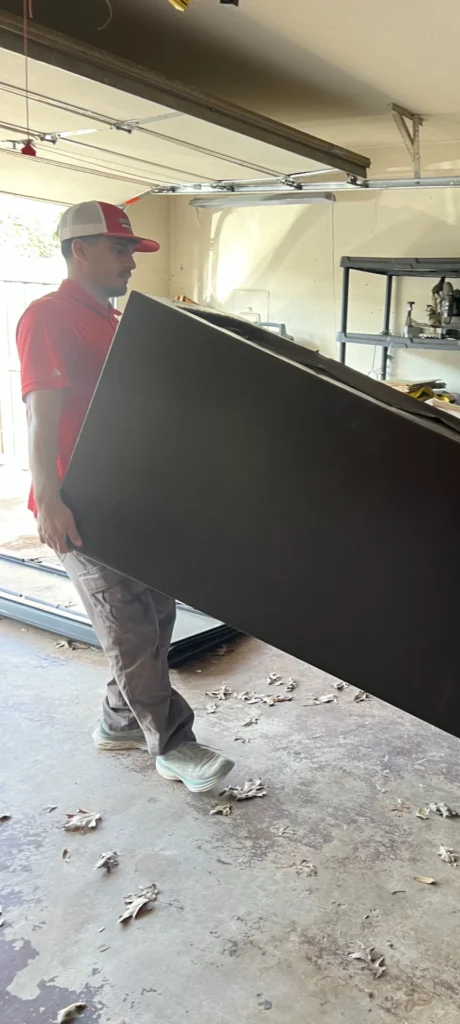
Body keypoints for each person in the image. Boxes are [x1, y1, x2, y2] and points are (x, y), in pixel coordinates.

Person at [16, 200, 234, 794]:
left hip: (129, 496)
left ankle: (117, 723)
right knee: (129, 627)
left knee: (157, 616)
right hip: (80, 504)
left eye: (134, 250)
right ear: (78, 249)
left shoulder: (113, 323)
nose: (131, 261)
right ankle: (174, 746)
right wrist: (49, 499)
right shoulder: (47, 316)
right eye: (120, 249)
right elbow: (41, 415)